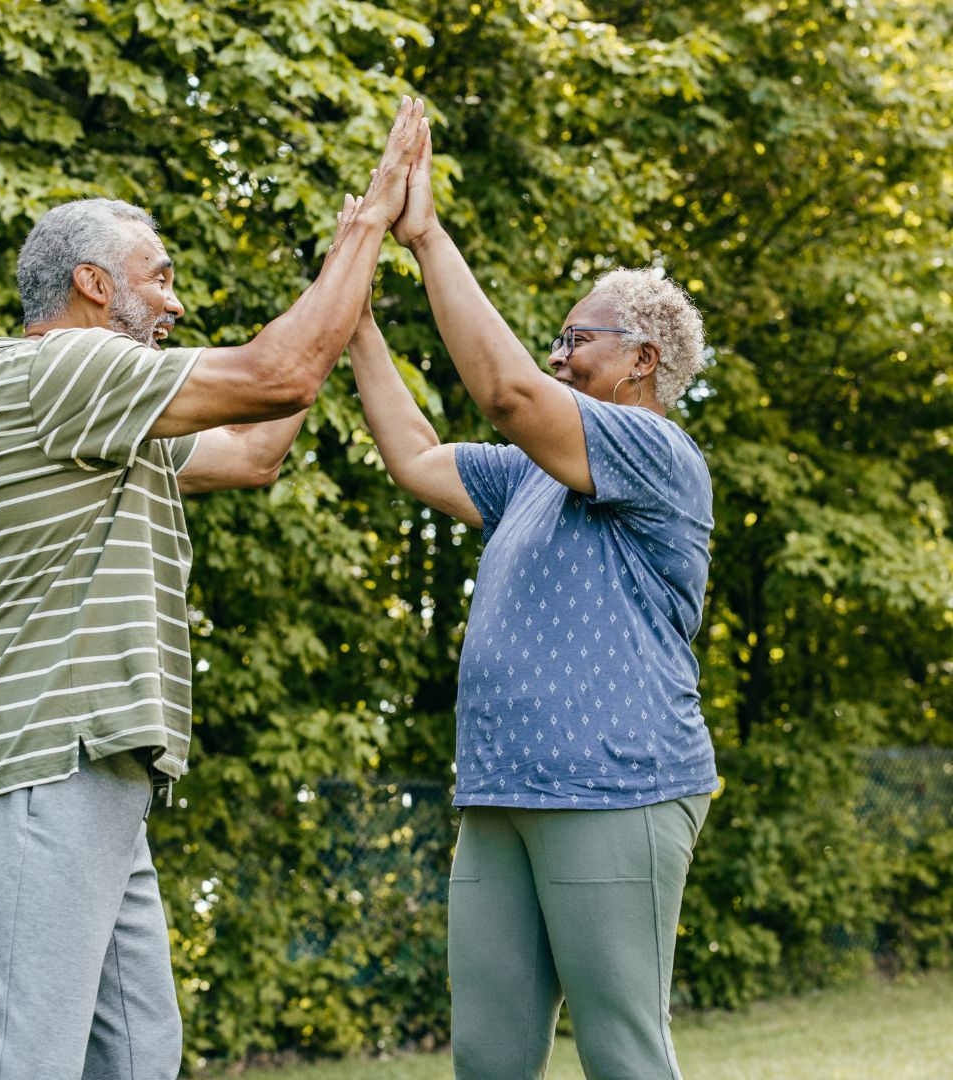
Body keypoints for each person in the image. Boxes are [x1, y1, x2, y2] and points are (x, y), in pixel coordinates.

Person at [0, 97, 429, 1080]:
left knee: (139, 1053)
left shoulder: (101, 411)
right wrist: (368, 221)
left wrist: (347, 299)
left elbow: (255, 447)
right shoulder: (58, 369)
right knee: (22, 1061)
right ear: (93, 284)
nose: (177, 301)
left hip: (98, 759)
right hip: (39, 749)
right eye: (161, 278)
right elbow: (278, 373)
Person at [347, 130, 717, 1078]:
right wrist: (353, 319)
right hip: (501, 792)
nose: (557, 356)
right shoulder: (532, 480)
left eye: (576, 339)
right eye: (556, 339)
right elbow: (417, 458)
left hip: (614, 788)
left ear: (643, 359)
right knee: (489, 1058)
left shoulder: (653, 453)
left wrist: (426, 240)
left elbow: (508, 393)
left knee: (621, 1053)